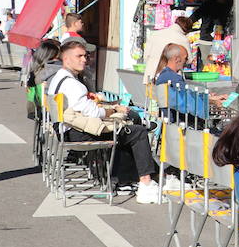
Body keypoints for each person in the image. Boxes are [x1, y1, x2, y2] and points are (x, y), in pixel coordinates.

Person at [45, 36, 161, 204]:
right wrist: (113, 109)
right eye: (80, 56)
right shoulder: (72, 84)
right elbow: (93, 112)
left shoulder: (58, 78)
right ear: (66, 58)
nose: (84, 59)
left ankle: (122, 178)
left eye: (85, 56)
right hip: (78, 133)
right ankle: (145, 182)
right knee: (137, 132)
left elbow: (82, 108)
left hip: (67, 130)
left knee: (125, 131)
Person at [142, 15, 193, 84]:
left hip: (150, 74)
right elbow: (189, 60)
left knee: (150, 94)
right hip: (171, 78)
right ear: (187, 30)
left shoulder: (155, 34)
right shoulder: (183, 39)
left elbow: (146, 56)